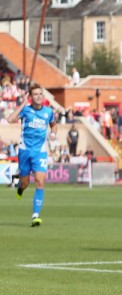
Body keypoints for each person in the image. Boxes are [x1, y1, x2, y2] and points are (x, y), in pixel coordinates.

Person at [9, 84, 57, 226]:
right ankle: (20, 188)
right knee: (25, 183)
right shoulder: (26, 110)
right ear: (31, 97)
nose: (39, 96)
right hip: (24, 151)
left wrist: (53, 133)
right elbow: (11, 119)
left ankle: (35, 215)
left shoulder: (48, 112)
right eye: (35, 94)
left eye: (40, 94)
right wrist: (23, 103)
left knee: (40, 181)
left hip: (40, 152)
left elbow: (54, 124)